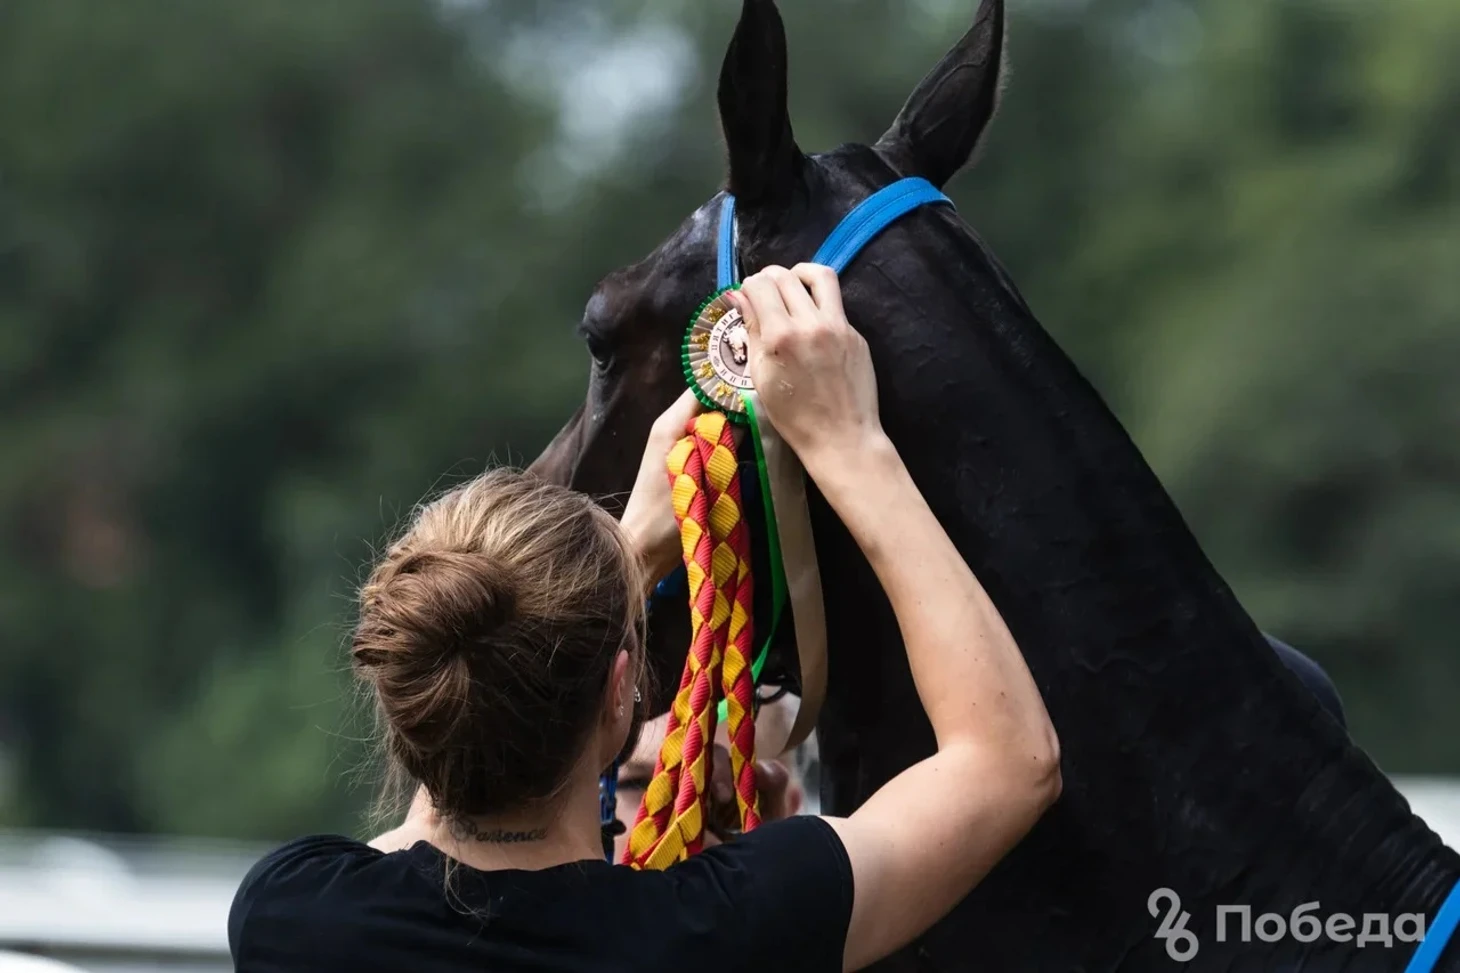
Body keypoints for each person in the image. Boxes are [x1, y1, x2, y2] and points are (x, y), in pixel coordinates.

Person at [227, 263, 1062, 973]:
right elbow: (1009, 760)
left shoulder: (293, 915)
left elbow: (432, 817)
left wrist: (608, 580)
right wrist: (848, 442)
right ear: (620, 691)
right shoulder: (729, 927)